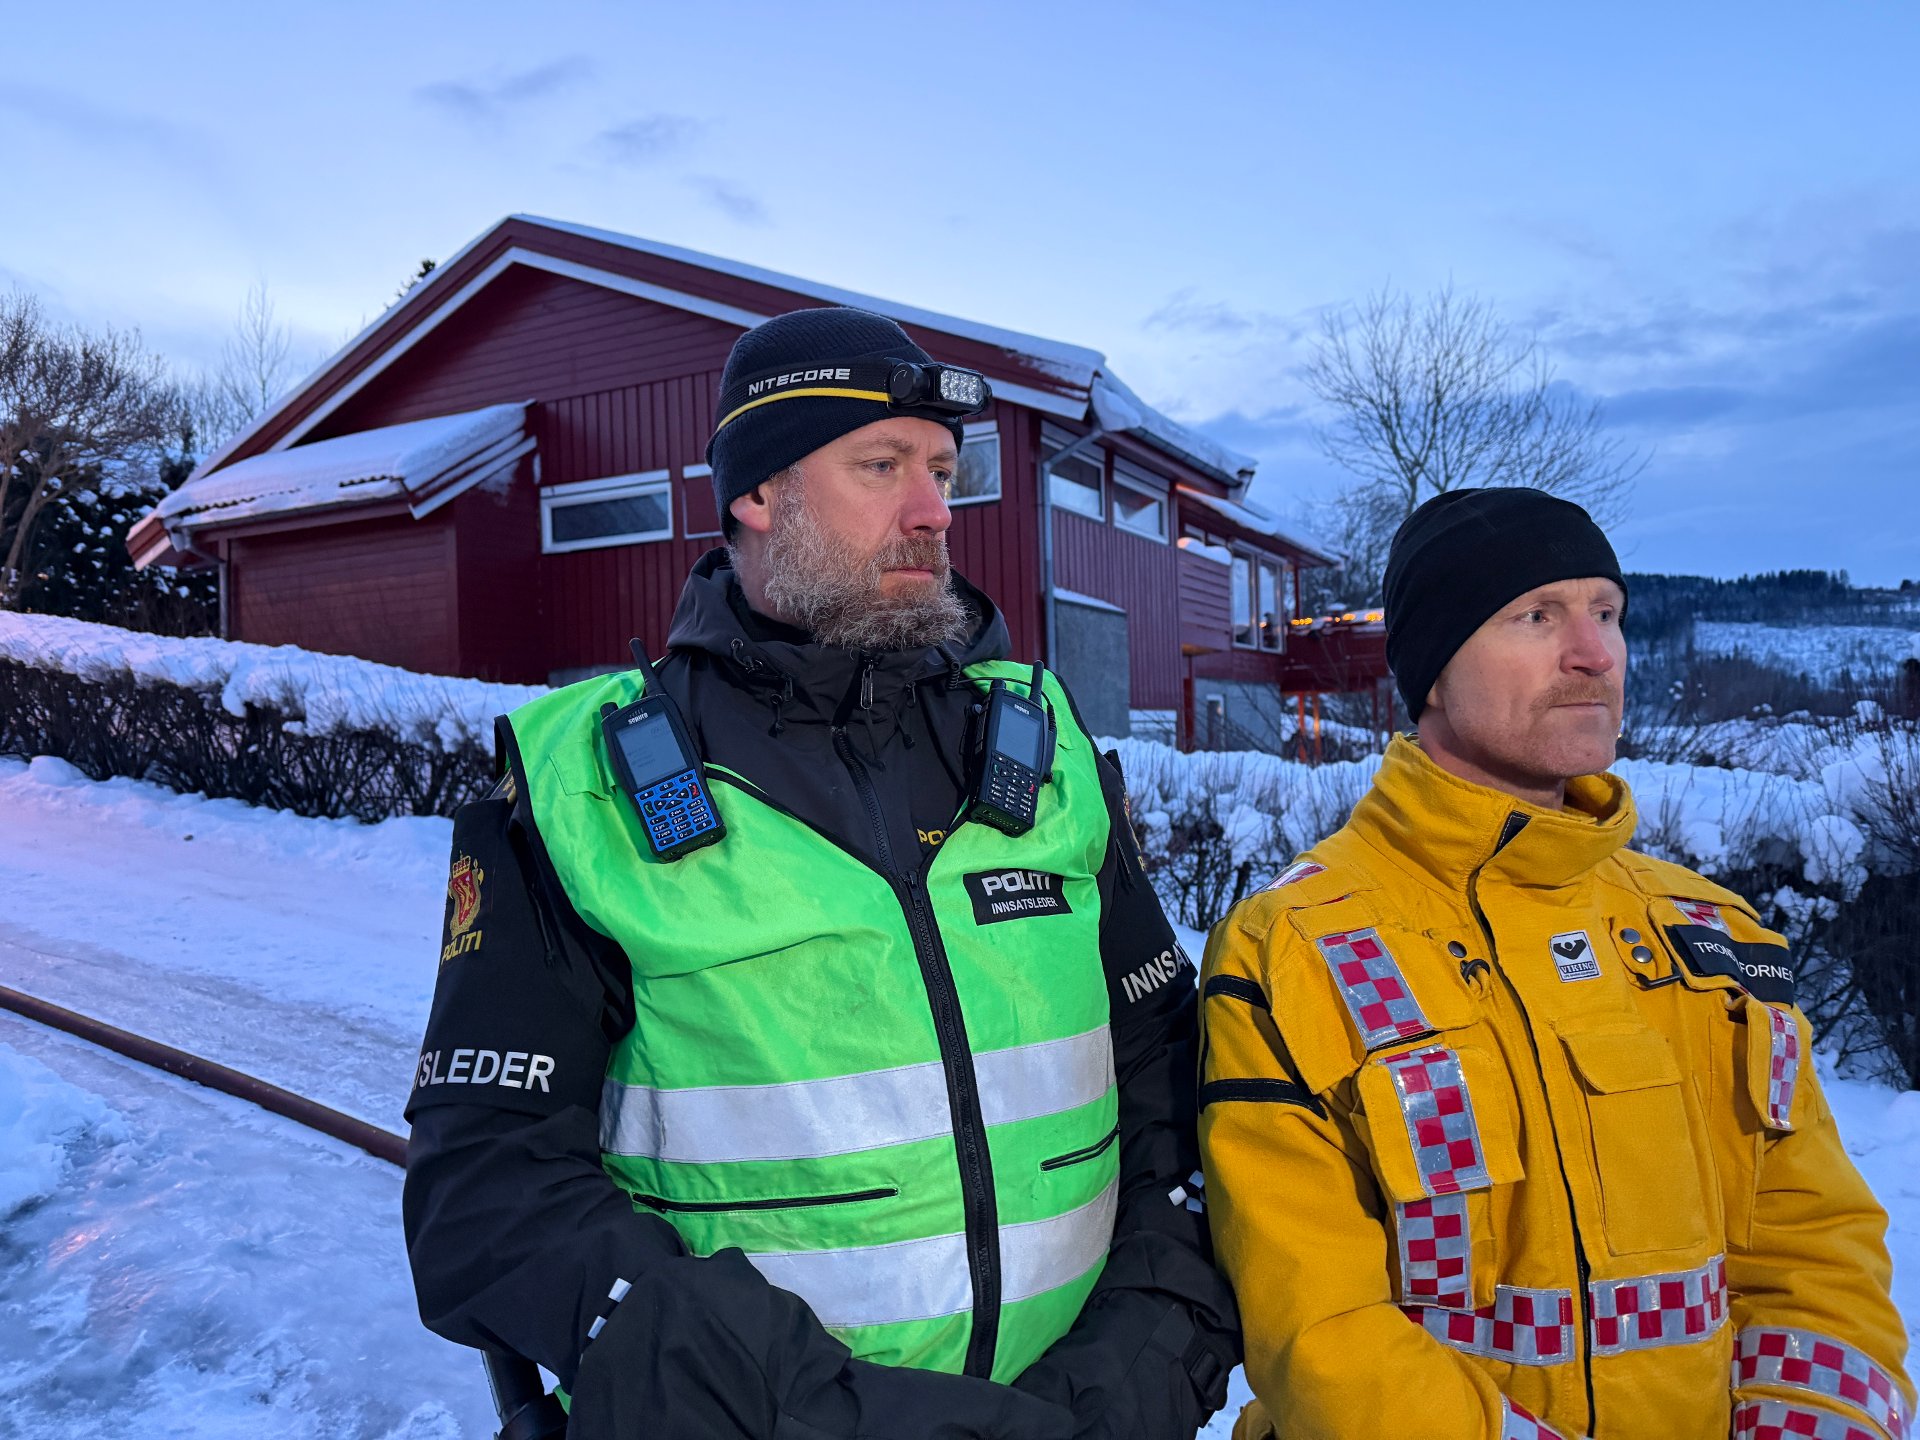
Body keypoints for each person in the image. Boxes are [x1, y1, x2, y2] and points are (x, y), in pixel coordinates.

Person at [403, 307, 1238, 1440]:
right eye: (881, 466)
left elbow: (1165, 1087)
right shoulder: (578, 788)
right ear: (758, 493)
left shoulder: (1045, 750)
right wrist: (815, 1412)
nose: (935, 512)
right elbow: (489, 1198)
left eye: (943, 470)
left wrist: (1137, 1373)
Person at [1198, 488, 1913, 1440]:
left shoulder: (1711, 934)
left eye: (1607, 614)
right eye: (1536, 615)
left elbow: (1816, 1250)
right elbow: (1321, 1332)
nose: (1593, 653)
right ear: (1435, 674)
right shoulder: (1300, 946)